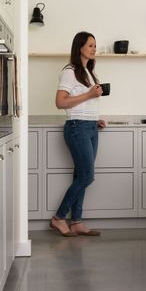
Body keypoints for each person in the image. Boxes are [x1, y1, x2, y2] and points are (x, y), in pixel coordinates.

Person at [50, 31, 106, 237]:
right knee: (87, 176)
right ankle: (58, 218)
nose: (94, 49)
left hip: (90, 127)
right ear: (79, 47)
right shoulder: (70, 71)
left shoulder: (87, 72)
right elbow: (60, 102)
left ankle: (76, 221)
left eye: (95, 45)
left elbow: (85, 103)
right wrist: (90, 93)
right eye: (90, 45)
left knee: (80, 175)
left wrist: (95, 118)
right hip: (77, 128)